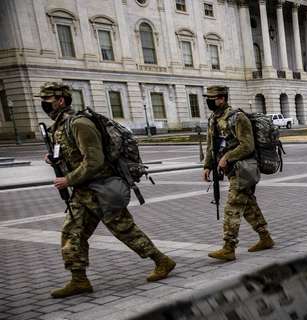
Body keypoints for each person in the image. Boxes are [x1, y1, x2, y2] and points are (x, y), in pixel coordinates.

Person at [38, 82, 176, 298]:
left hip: (101, 189)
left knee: (125, 230)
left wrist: (68, 179)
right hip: (83, 192)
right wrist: (55, 159)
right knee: (72, 233)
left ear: (61, 101)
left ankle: (162, 261)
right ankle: (79, 279)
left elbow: (94, 161)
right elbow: (75, 155)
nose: (43, 105)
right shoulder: (60, 125)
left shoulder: (79, 123)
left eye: (47, 101)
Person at [202, 86, 273, 261]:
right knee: (248, 206)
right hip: (231, 171)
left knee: (232, 207)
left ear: (222, 99)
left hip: (243, 169)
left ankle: (229, 247)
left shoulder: (238, 118)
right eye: (208, 98)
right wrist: (207, 166)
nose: (209, 101)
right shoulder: (213, 118)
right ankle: (265, 238)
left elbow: (248, 145)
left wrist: (228, 156)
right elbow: (211, 145)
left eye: (213, 98)